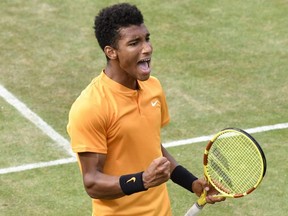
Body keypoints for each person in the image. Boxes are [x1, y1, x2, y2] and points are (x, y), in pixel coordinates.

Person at [67, 3, 224, 216]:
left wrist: (193, 184)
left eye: (146, 38)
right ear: (111, 52)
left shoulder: (153, 88)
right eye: (134, 43)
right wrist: (143, 180)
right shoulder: (91, 106)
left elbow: (151, 147)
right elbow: (92, 183)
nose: (147, 48)